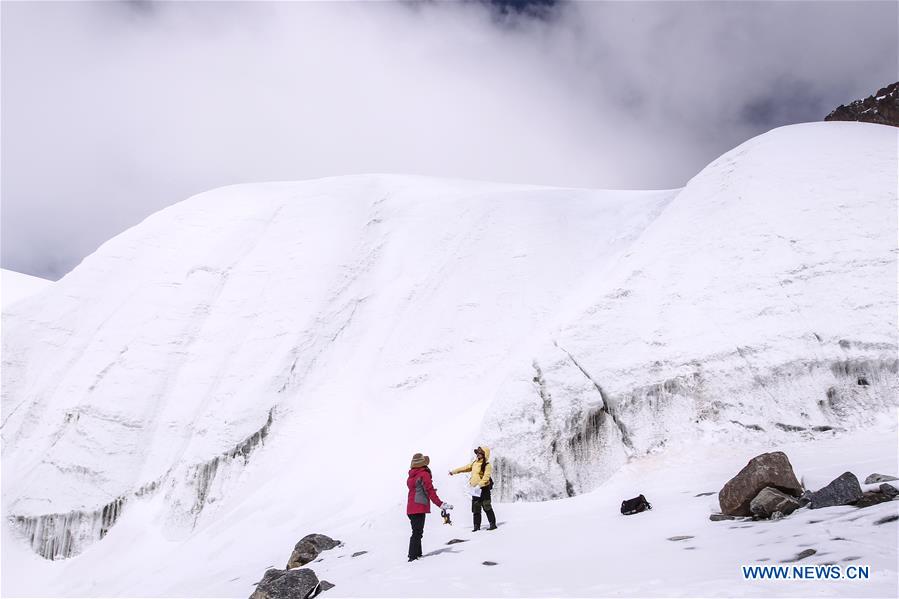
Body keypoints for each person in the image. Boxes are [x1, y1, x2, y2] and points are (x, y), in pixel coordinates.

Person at [406, 453, 452, 562]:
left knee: (417, 531)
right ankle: (412, 557)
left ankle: (418, 554)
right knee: (417, 533)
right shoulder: (423, 474)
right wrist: (440, 504)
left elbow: (421, 490)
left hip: (410, 508)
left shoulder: (412, 475)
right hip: (418, 507)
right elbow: (429, 491)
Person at [449, 445, 497, 531]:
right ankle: (476, 526)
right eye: (477, 453)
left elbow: (486, 477)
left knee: (487, 506)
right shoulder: (475, 463)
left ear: (484, 454)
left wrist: (479, 485)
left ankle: (492, 524)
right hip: (475, 490)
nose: (477, 454)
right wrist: (454, 471)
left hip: (484, 489)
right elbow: (465, 468)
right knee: (476, 508)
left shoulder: (487, 465)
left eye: (480, 453)